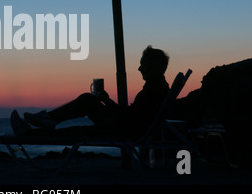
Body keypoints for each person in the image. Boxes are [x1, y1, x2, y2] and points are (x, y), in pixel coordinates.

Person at [11, 45, 170, 139]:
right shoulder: (156, 88)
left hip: (122, 130)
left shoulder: (154, 90)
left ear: (154, 67)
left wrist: (108, 103)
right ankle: (48, 119)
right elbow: (133, 115)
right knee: (88, 99)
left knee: (76, 132)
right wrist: (106, 101)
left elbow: (131, 118)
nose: (139, 68)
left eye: (143, 65)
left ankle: (31, 133)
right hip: (123, 125)